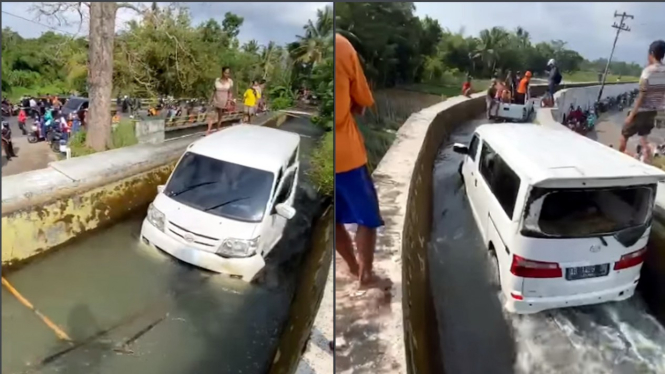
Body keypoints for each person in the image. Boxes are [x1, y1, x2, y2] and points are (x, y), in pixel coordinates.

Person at [335, 34, 385, 287]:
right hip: (346, 156)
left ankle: (353, 267)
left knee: (333, 219)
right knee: (367, 216)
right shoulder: (343, 47)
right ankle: (365, 275)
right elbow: (362, 105)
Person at [620, 40, 665, 163]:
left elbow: (642, 95)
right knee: (644, 137)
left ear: (651, 53)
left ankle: (621, 159)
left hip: (641, 110)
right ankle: (646, 160)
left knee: (624, 136)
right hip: (653, 111)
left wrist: (632, 115)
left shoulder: (648, 71)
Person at [207, 66, 234, 134]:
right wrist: (210, 99)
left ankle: (218, 128)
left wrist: (229, 101)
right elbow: (213, 90)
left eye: (228, 73)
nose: (227, 75)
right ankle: (208, 130)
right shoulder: (217, 80)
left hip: (224, 100)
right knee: (212, 114)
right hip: (216, 98)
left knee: (220, 115)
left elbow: (230, 92)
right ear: (222, 72)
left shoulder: (230, 81)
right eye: (225, 73)